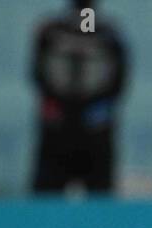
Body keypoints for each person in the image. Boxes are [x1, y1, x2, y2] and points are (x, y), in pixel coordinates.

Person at [30, 0, 128, 194]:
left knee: (93, 192)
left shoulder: (52, 32)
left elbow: (37, 74)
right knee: (52, 190)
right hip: (69, 121)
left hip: (84, 121)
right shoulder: (107, 33)